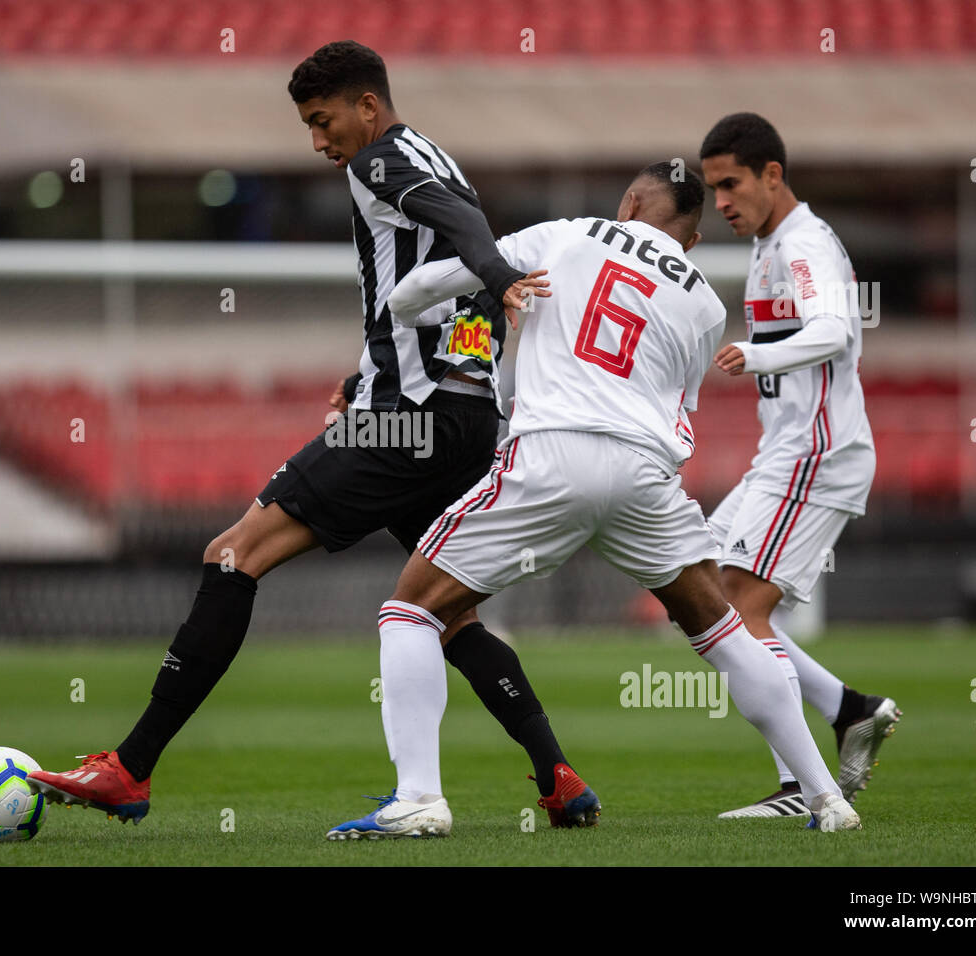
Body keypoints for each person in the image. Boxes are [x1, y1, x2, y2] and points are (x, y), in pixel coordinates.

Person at [28, 40, 598, 830]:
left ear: (368, 106)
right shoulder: (435, 155)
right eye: (308, 126)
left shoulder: (382, 161)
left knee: (234, 554)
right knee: (447, 610)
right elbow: (437, 268)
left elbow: (462, 227)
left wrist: (500, 283)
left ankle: (130, 768)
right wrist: (368, 368)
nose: (320, 141)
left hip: (406, 421)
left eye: (324, 120)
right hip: (465, 418)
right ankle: (559, 777)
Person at [328, 162, 862, 837]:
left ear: (630, 202)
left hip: (553, 453)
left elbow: (423, 288)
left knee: (410, 610)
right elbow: (680, 405)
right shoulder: (705, 302)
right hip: (646, 472)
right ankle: (827, 799)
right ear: (691, 241)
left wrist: (452, 294)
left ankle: (419, 798)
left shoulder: (568, 233)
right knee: (724, 633)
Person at [699, 113, 900, 820]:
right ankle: (849, 711)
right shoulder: (769, 244)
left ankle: (799, 789)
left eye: (731, 183)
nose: (720, 200)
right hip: (785, 453)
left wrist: (755, 354)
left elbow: (836, 329)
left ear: (772, 176)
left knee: (743, 612)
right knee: (703, 596)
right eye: (711, 188)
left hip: (817, 454)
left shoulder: (802, 242)